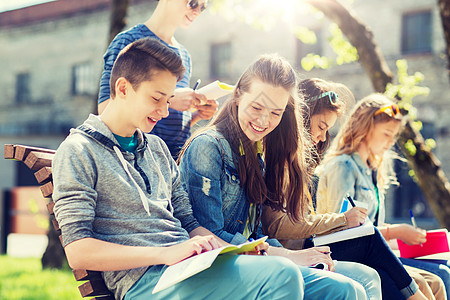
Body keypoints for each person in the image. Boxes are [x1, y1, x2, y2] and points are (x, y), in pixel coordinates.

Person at [53, 38, 311, 300]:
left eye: (169, 100)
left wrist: (234, 251)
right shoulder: (79, 151)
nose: (165, 111)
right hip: (146, 282)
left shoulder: (156, 148)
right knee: (281, 274)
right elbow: (78, 251)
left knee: (341, 288)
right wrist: (165, 253)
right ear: (123, 88)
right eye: (157, 98)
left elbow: (189, 223)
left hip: (190, 268)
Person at [178, 54, 385, 299]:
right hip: (223, 267)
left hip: (258, 260)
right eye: (256, 107)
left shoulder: (256, 153)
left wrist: (290, 255)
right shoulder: (208, 147)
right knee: (344, 288)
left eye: (276, 113)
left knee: (362, 280)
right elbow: (210, 235)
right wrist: (289, 256)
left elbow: (255, 234)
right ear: (237, 97)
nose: (264, 121)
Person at [261, 78, 445, 300]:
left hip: (318, 246)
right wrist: (345, 220)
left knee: (435, 276)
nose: (321, 137)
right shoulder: (329, 165)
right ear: (301, 117)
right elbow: (294, 225)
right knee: (409, 274)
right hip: (305, 249)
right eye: (321, 127)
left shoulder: (301, 165)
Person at [316, 93, 448, 299]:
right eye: (386, 134)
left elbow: (373, 229)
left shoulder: (373, 171)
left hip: (378, 255)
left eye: (394, 136)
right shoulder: (342, 167)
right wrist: (397, 232)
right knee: (425, 282)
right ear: (365, 128)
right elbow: (336, 229)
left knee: (437, 279)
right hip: (352, 258)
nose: (390, 142)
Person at [98, 0, 218, 159]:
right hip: (139, 159)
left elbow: (170, 124)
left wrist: (196, 115)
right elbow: (106, 108)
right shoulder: (129, 41)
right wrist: (171, 99)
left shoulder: (184, 55)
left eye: (203, 7)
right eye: (193, 3)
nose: (197, 11)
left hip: (175, 161)